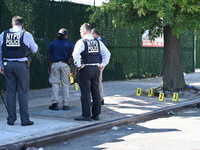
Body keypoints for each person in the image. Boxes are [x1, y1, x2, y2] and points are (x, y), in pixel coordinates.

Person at [0, 16, 38, 126]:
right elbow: (35, 49)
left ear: (12, 24)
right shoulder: (26, 34)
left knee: (10, 92)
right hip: (22, 65)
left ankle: (11, 119)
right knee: (23, 91)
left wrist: (0, 65)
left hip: (8, 64)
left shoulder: (4, 34)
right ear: (22, 24)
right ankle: (25, 119)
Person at [73, 23, 111, 121]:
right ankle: (96, 114)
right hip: (96, 68)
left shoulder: (81, 41)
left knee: (85, 92)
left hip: (85, 68)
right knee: (96, 91)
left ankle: (86, 115)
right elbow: (107, 53)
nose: (80, 33)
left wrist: (78, 65)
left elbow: (75, 54)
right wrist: (103, 64)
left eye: (81, 31)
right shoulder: (98, 42)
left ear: (85, 31)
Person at [47, 28, 75, 111]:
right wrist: (75, 69)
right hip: (65, 64)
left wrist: (48, 66)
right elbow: (72, 57)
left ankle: (55, 103)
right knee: (65, 84)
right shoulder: (69, 44)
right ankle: (65, 104)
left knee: (55, 83)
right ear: (66, 35)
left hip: (54, 64)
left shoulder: (53, 43)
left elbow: (48, 56)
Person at [91, 28, 106, 105]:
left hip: (98, 63)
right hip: (99, 63)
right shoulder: (101, 40)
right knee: (97, 81)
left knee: (97, 81)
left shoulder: (99, 41)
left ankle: (100, 99)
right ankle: (99, 98)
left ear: (94, 34)